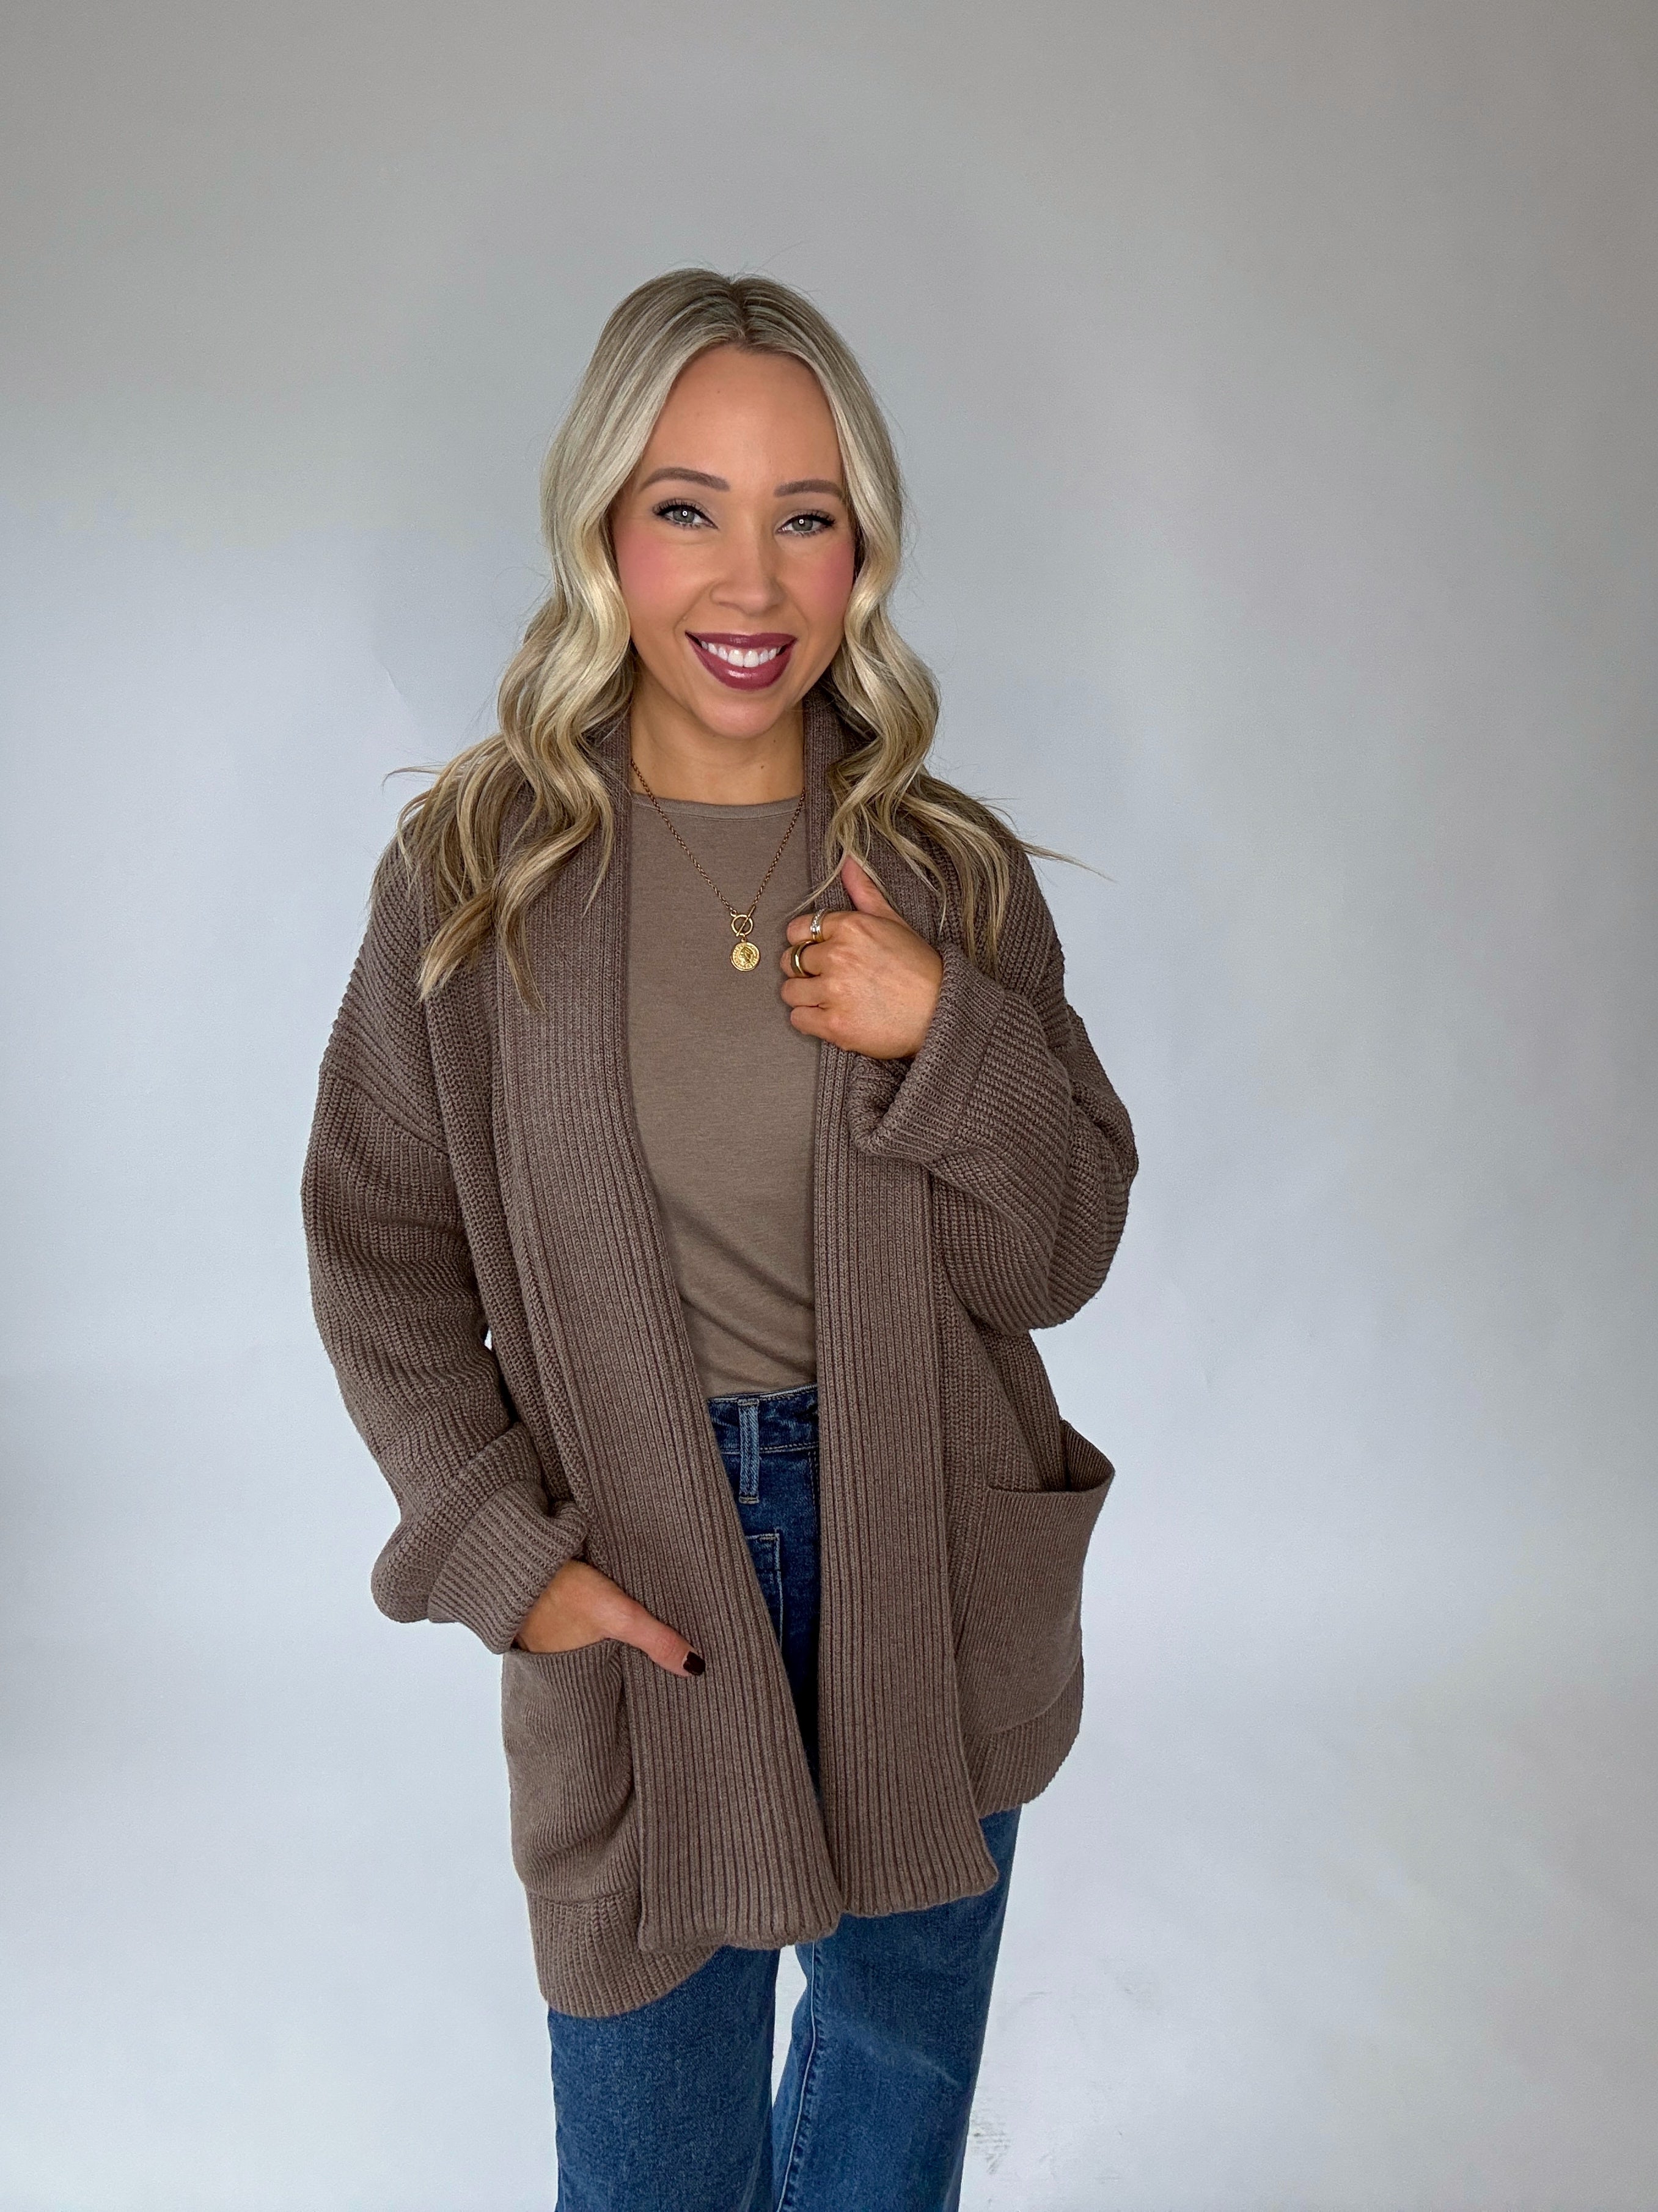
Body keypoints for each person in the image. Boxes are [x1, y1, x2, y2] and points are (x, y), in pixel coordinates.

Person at [303, 267, 1137, 2212]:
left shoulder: (944, 874)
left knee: (893, 2074)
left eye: (804, 515)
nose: (750, 580)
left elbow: (1062, 1249)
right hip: (638, 1558)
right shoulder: (476, 877)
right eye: (688, 507)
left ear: (863, 551)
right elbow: (379, 1252)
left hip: (928, 1539)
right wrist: (508, 1559)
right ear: (603, 525)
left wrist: (948, 1035)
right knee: (652, 2136)